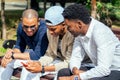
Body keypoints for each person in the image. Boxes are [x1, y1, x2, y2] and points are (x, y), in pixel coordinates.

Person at [57, 4, 120, 80]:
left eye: (69, 26)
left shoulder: (100, 32)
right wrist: (75, 70)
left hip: (115, 70)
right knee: (63, 72)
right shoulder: (79, 33)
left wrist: (76, 77)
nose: (67, 29)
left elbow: (104, 69)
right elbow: (76, 57)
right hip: (100, 69)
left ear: (79, 24)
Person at [19, 6, 74, 80]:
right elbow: (49, 55)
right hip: (58, 61)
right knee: (29, 71)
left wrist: (42, 69)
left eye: (53, 29)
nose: (50, 32)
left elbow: (69, 63)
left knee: (59, 75)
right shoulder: (50, 32)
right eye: (48, 28)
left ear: (63, 24)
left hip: (72, 66)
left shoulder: (72, 35)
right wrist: (38, 63)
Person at [0, 9, 48, 80]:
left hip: (48, 57)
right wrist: (11, 53)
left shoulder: (44, 29)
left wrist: (13, 55)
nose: (29, 30)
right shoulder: (20, 27)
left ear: (38, 21)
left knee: (28, 68)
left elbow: (37, 55)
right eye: (26, 26)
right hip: (35, 54)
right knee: (6, 61)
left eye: (32, 26)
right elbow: (19, 46)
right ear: (22, 21)